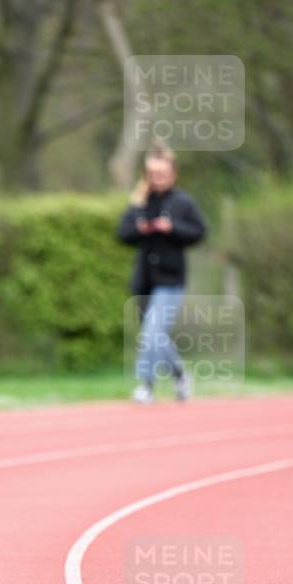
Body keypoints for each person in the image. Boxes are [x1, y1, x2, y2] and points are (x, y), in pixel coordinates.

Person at [117, 144, 207, 403]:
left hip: (170, 280)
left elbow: (199, 232)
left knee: (152, 333)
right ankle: (180, 376)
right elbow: (123, 234)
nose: (158, 179)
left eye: (162, 174)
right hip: (144, 280)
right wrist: (140, 228)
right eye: (153, 174)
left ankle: (146, 385)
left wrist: (172, 228)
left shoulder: (183, 202)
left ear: (173, 174)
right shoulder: (140, 202)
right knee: (155, 335)